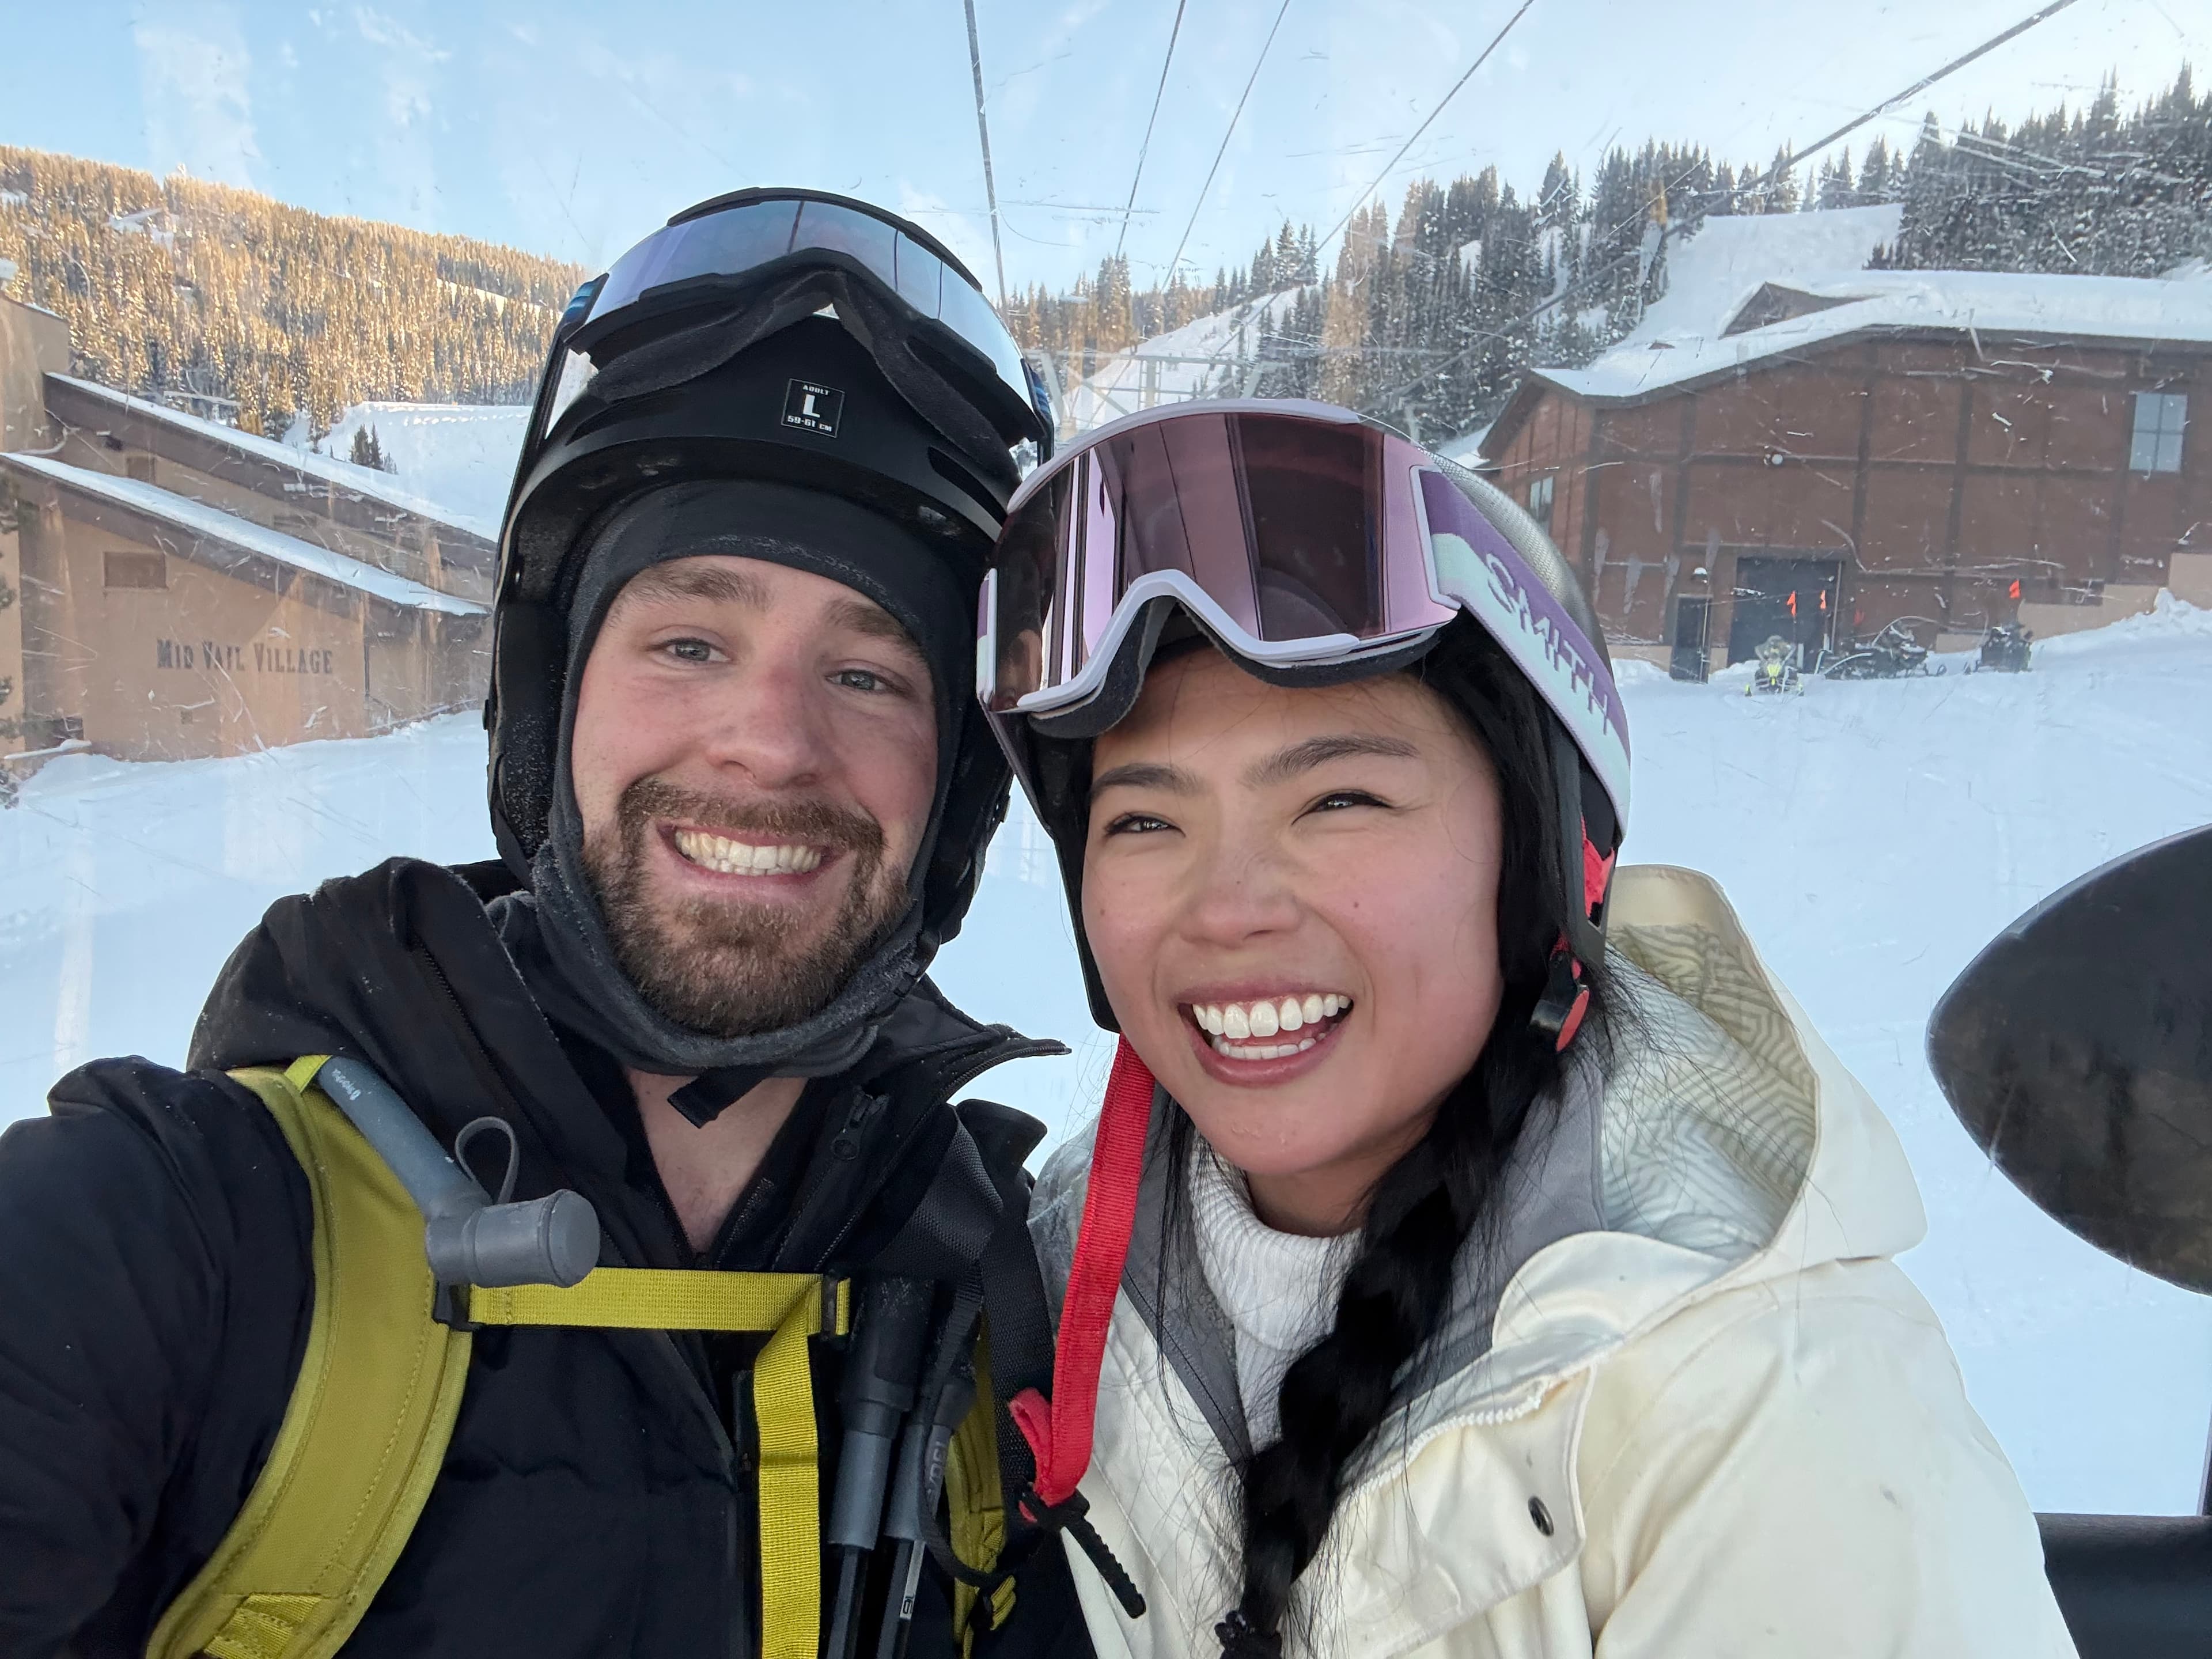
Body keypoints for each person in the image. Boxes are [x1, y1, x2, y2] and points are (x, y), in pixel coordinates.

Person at [0, 191, 1092, 1659]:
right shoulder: (179, 1231)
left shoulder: (999, 1315)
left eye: (871, 675)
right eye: (690, 641)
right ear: (549, 704)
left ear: (953, 792)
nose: (767, 744)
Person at [974, 399, 2076, 1657]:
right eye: (1145, 822)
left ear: (1543, 867)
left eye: (1339, 798)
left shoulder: (1766, 1405)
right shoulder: (1051, 1281)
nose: (1228, 913)